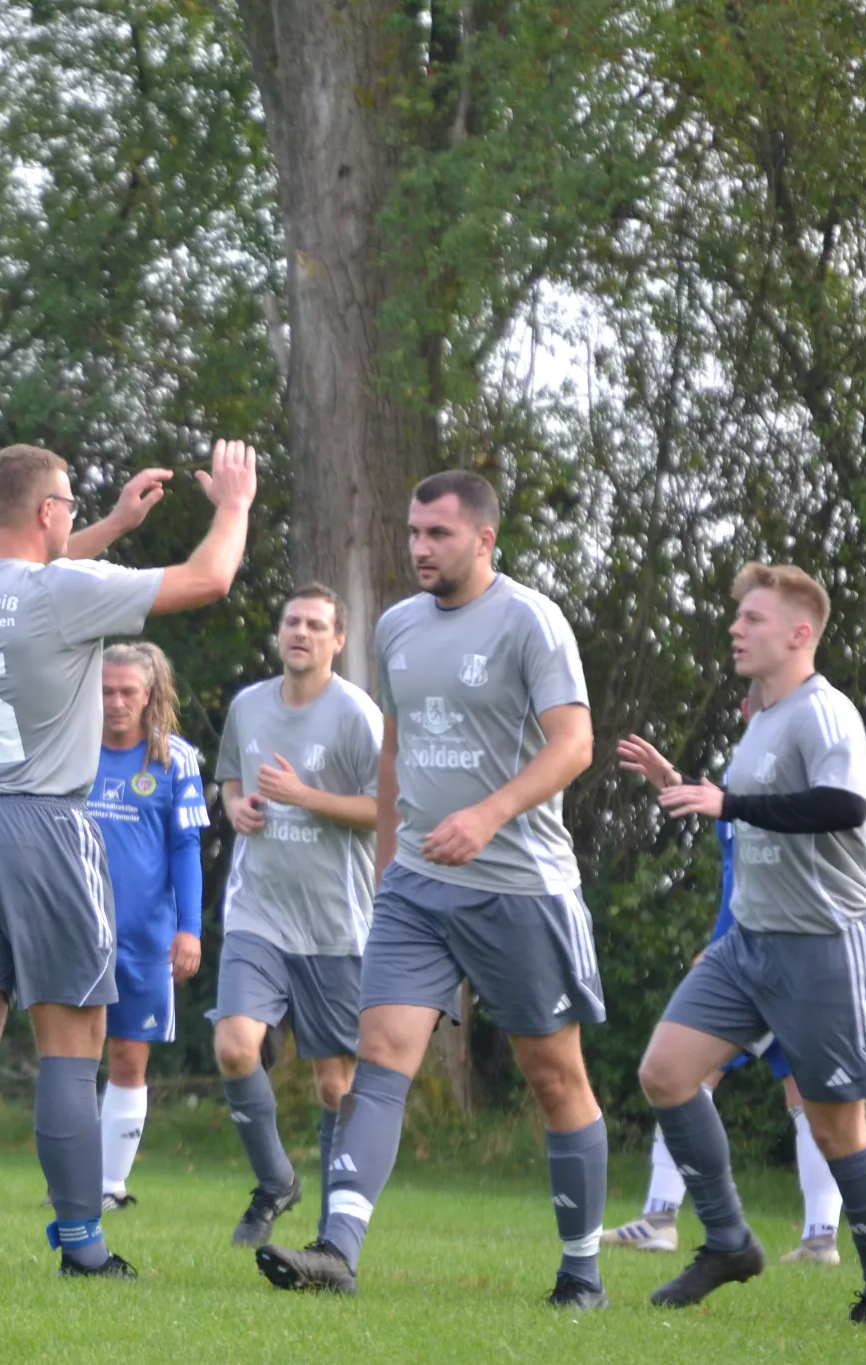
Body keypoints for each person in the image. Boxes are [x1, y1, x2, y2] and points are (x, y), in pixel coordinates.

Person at [0, 439, 258, 1279]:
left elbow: (39, 572)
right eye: (68, 503)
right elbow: (209, 578)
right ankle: (83, 1246)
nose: (74, 515)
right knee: (73, 1042)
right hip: (44, 830)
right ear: (44, 511)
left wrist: (113, 524)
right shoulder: (61, 593)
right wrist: (235, 504)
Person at [255, 470, 608, 1307]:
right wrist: (387, 866)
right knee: (379, 1056)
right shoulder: (397, 625)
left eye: (438, 534)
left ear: (484, 538)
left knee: (554, 1076)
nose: (419, 547)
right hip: (415, 887)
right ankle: (337, 1249)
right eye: (413, 532)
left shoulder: (531, 620)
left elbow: (574, 744)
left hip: (520, 887)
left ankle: (582, 1270)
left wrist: (488, 814)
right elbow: (394, 749)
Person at [635, 562, 866, 1325]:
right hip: (748, 944)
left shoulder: (826, 712)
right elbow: (749, 818)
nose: (735, 628)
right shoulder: (760, 719)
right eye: (738, 617)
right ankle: (729, 1241)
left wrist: (729, 801)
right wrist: (695, 791)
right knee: (665, 1072)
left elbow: (843, 804)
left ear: (799, 633)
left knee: (836, 1127)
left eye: (752, 618)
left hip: (824, 946)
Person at [608, 688, 847, 1266]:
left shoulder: (805, 776)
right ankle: (668, 1218)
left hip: (787, 962)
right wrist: (671, 780)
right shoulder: (737, 779)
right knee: (687, 1075)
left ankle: (820, 1238)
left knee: (808, 1100)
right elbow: (739, 864)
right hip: (742, 957)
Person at [210, 584, 381, 1247]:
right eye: (291, 622)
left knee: (335, 1085)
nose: (300, 632)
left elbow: (386, 809)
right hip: (257, 911)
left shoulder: (357, 714)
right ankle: (275, 1180)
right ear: (279, 633)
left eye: (315, 624)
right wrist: (237, 807)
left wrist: (304, 796)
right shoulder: (248, 705)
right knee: (234, 1047)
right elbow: (231, 779)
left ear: (338, 640)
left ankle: (331, 1237)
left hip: (335, 924)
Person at [89, 641, 208, 1210]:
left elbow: (186, 848)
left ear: (148, 694)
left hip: (144, 938)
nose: (115, 702)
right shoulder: (70, 749)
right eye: (105, 691)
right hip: (74, 931)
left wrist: (190, 928)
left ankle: (109, 1187)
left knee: (128, 1058)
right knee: (70, 1056)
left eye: (126, 692)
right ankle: (71, 1184)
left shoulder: (173, 758)